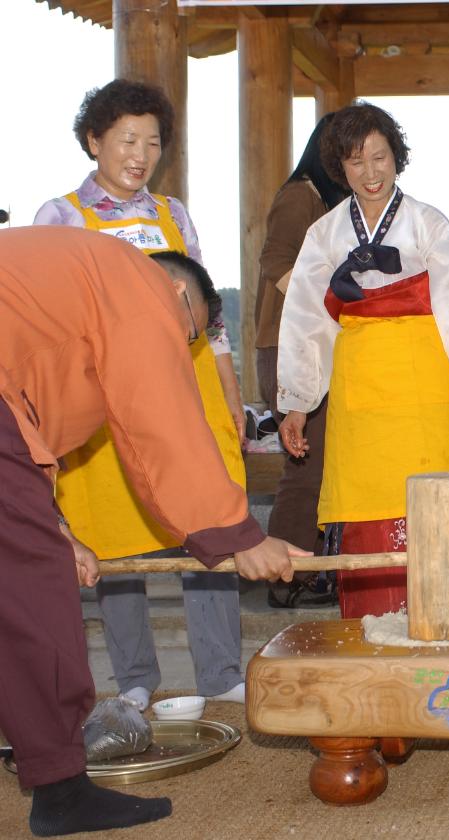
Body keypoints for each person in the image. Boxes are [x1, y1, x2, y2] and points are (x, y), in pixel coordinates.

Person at [0, 226, 300, 837]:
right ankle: (60, 788)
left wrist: (57, 528)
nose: (179, 344)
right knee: (35, 598)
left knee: (26, 573)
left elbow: (24, 434)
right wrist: (238, 535)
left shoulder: (69, 280)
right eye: (186, 333)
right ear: (176, 294)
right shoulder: (136, 283)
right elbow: (159, 427)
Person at [33, 79, 250, 710]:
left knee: (209, 516)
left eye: (152, 142)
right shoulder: (64, 214)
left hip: (189, 383)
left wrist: (231, 390)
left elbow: (208, 312)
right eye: (126, 139)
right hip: (104, 397)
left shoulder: (173, 214)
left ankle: (220, 672)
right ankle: (133, 675)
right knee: (112, 526)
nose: (140, 153)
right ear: (93, 140)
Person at [276, 102, 449, 618]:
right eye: (356, 161)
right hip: (360, 383)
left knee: (445, 491)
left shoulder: (428, 224)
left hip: (428, 377)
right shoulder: (325, 234)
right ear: (340, 167)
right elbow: (307, 322)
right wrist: (297, 400)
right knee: (369, 500)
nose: (370, 172)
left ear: (396, 158)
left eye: (379, 157)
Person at [254, 113, 349, 609]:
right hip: (289, 346)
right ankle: (286, 574)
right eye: (345, 152)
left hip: (312, 343)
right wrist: (331, 306)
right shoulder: (300, 195)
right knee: (305, 466)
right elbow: (276, 264)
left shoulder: (328, 203)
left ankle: (308, 568)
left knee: (318, 462)